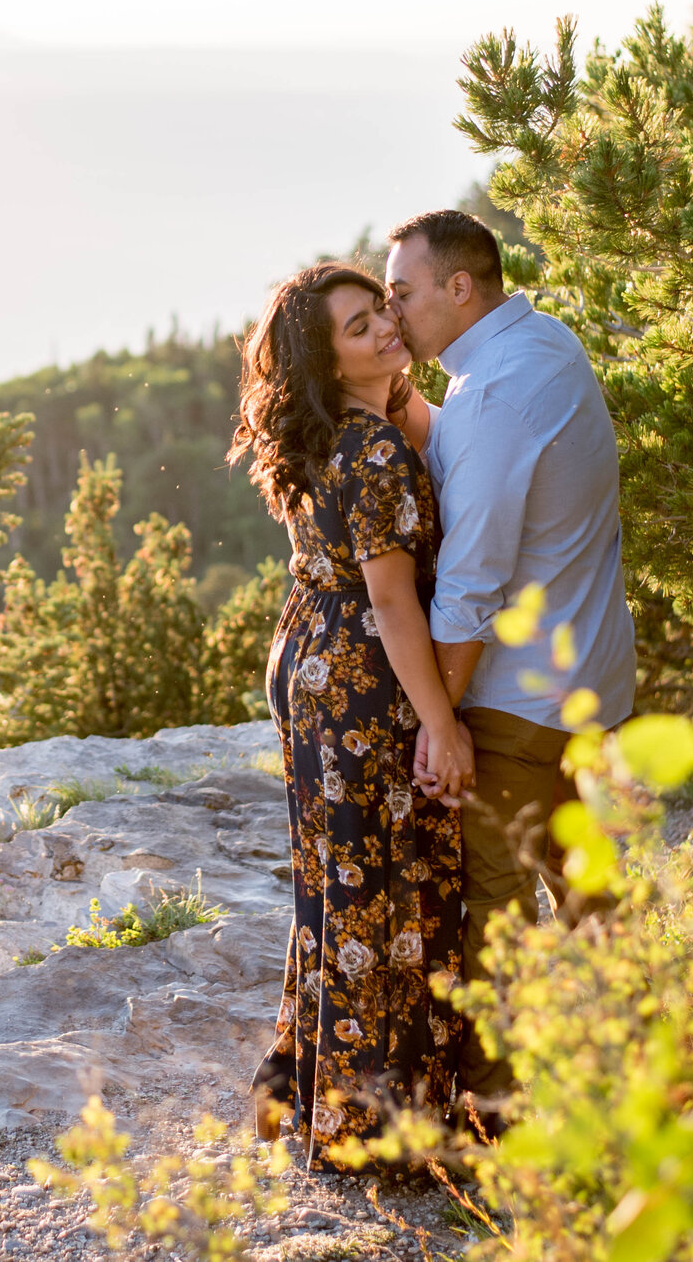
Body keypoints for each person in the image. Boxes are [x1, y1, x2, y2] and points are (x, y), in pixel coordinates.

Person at [381, 209, 637, 1108]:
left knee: (490, 915)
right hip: (595, 689)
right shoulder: (542, 344)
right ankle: (625, 1091)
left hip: (518, 709)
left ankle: (500, 1119)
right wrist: (413, 407)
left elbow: (470, 585)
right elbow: (482, 443)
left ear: (459, 288)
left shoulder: (491, 397)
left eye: (403, 291)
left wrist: (439, 719)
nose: (392, 307)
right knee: (590, 900)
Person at [228, 262, 476, 1164]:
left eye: (382, 311)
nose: (383, 329)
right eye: (358, 326)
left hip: (311, 658)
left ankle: (311, 1089)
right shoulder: (370, 451)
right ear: (326, 362)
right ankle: (373, 1127)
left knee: (338, 886)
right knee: (390, 890)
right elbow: (396, 602)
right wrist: (442, 722)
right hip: (366, 678)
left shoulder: (340, 430)